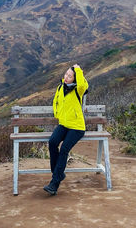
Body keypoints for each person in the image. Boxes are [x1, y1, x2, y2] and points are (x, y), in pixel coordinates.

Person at [43, 63, 89, 195]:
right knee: (52, 142)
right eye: (66, 74)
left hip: (77, 127)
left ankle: (54, 184)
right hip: (64, 124)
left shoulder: (78, 89)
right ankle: (58, 173)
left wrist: (79, 70)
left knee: (64, 149)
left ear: (75, 78)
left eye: (70, 76)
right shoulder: (60, 87)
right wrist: (57, 114)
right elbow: (55, 102)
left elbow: (82, 85)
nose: (67, 77)